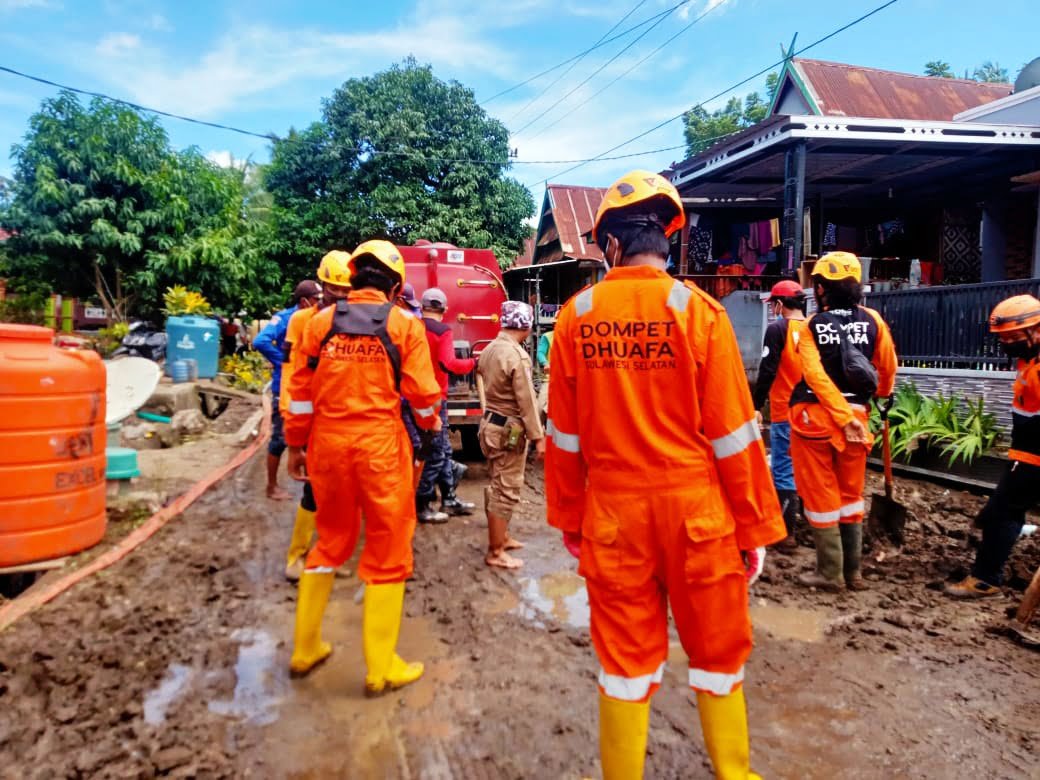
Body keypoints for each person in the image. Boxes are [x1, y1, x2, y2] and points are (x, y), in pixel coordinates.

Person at [545, 170, 785, 779]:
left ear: (612, 246)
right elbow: (735, 433)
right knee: (718, 654)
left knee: (624, 665)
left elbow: (564, 437)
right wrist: (753, 528)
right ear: (667, 241)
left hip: (614, 516)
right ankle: (735, 774)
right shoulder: (699, 312)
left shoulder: (576, 317)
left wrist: (571, 519)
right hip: (698, 515)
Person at [284, 239, 443, 694]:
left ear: (353, 278)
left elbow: (298, 391)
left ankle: (305, 648)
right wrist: (430, 432)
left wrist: (296, 444)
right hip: (379, 446)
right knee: (388, 550)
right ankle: (380, 668)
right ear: (395, 286)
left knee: (330, 542)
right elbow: (423, 395)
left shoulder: (317, 324)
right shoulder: (404, 326)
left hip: (327, 446)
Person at [789, 251, 897, 592]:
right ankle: (854, 573)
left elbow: (815, 376)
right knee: (851, 496)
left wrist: (837, 414)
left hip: (816, 421)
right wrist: (876, 399)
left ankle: (830, 573)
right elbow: (887, 367)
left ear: (820, 289)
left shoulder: (811, 326)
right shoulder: (873, 321)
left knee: (821, 497)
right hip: (858, 419)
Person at [946, 294, 1040, 599]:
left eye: (1012, 337)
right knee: (1001, 510)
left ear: (1035, 330)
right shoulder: (1030, 359)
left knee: (1002, 512)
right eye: (1004, 338)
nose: (1006, 344)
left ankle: (986, 580)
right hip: (1025, 451)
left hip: (1035, 456)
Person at [279, 251, 352, 581]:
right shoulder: (305, 321)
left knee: (338, 493)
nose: (340, 296)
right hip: (313, 416)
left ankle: (327, 554)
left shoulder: (353, 320)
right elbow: (293, 371)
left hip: (338, 419)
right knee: (313, 489)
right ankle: (297, 557)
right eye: (337, 290)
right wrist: (293, 424)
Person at [477, 300, 545, 570]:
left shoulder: (490, 349)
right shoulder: (516, 355)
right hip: (508, 429)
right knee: (505, 489)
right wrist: (538, 437)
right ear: (526, 326)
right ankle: (495, 551)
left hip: (490, 424)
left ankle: (501, 537)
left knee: (497, 482)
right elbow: (526, 400)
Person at [752, 280, 809, 551]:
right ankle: (812, 522)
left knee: (784, 469)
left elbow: (768, 370)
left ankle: (786, 535)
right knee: (809, 468)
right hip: (814, 413)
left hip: (785, 410)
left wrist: (755, 404)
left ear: (779, 304)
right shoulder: (814, 327)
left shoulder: (778, 329)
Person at [254, 280, 322, 500]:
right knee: (281, 439)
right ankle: (271, 486)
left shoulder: (315, 318)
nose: (320, 303)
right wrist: (283, 361)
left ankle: (309, 485)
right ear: (304, 301)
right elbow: (260, 341)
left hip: (306, 389)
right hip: (285, 388)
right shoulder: (286, 318)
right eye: (316, 299)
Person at [415, 287, 477, 522]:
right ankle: (423, 503)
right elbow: (448, 363)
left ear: (422, 307)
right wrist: (472, 363)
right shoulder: (442, 331)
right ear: (445, 309)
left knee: (441, 448)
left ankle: (449, 498)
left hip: (415, 397)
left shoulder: (413, 327)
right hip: (435, 398)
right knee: (437, 451)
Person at [536, 327, 554, 422]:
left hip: (569, 380)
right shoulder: (548, 336)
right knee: (540, 407)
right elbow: (540, 353)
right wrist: (545, 363)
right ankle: (538, 432)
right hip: (551, 378)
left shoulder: (574, 336)